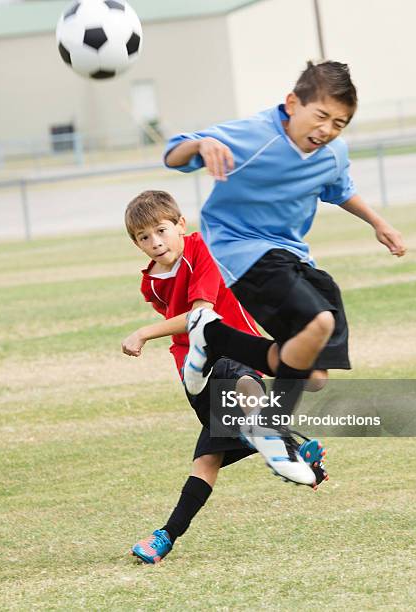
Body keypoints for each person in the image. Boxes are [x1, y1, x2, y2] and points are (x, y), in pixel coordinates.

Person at [164, 60, 406, 485]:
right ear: (292, 103)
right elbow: (172, 153)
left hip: (292, 255)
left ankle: (213, 335)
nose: (329, 129)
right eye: (322, 116)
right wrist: (200, 147)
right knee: (320, 320)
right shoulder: (254, 135)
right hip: (239, 247)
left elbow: (341, 189)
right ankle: (269, 431)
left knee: (312, 375)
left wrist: (378, 223)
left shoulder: (333, 152)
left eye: (340, 122)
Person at [121, 190, 326, 564]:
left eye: (161, 230)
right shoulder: (149, 283)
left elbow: (201, 316)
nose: (155, 242)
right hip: (192, 370)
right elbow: (184, 325)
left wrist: (143, 332)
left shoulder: (206, 250)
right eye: (143, 237)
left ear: (181, 224)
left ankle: (166, 535)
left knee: (230, 401)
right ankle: (287, 450)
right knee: (211, 454)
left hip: (232, 353)